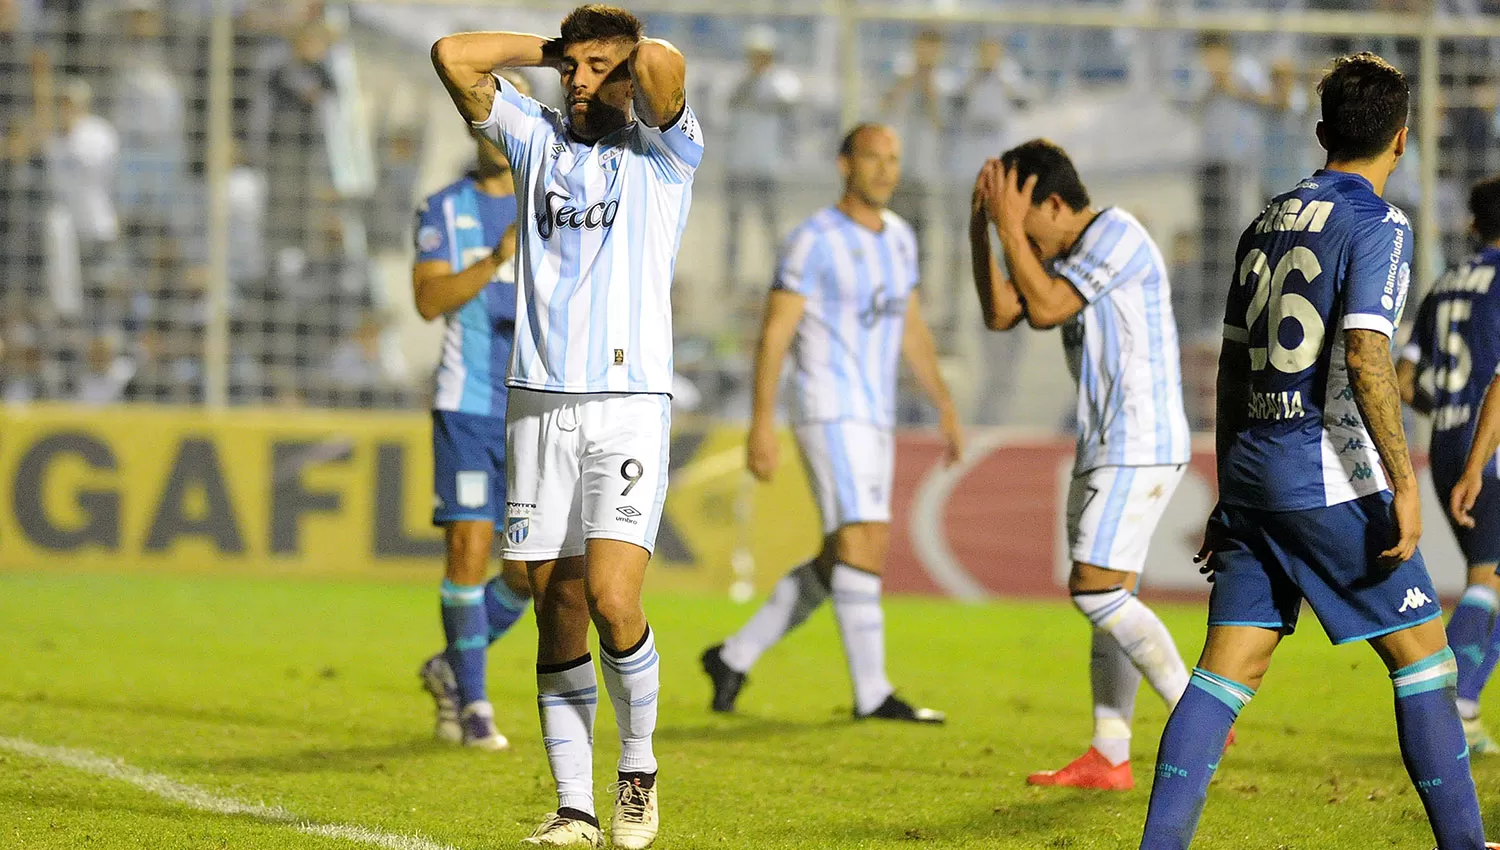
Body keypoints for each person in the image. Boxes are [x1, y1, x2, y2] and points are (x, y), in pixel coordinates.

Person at [1138, 53, 1487, 850]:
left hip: (1258, 472)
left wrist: (1230, 492)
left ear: (1322, 131)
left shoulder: (1264, 219)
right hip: (1327, 471)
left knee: (1228, 668)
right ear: (1402, 142)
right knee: (1425, 657)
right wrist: (1404, 482)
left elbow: (1231, 366)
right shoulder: (1379, 225)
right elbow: (1367, 352)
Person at [432, 6, 700, 847]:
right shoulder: (535, 137)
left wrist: (620, 58)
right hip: (536, 403)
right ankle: (573, 806)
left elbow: (664, 69)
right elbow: (453, 55)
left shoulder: (666, 155)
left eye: (594, 70)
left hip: (627, 406)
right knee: (556, 604)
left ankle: (640, 770)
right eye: (568, 68)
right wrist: (556, 54)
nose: (576, 82)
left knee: (617, 601)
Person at [700, 123, 961, 724]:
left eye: (894, 159)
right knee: (863, 540)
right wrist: (761, 423)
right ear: (845, 164)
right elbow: (774, 334)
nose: (886, 170)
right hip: (827, 407)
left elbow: (911, 327)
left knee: (841, 552)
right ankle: (873, 693)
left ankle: (732, 657)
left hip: (875, 414)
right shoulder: (811, 240)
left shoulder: (899, 237)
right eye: (874, 158)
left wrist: (944, 402)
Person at [968, 139, 1194, 790]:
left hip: (1138, 441)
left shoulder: (1116, 235)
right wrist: (985, 227)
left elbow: (1041, 306)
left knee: (1094, 589)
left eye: (1024, 217)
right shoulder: (1067, 255)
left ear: (1056, 204)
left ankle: (1195, 708)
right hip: (1107, 444)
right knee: (1111, 597)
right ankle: (1110, 753)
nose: (1023, 239)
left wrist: (1009, 228)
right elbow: (1001, 310)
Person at [410, 113, 535, 752]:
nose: (491, 139)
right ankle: (475, 703)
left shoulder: (555, 203)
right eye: (482, 126)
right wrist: (496, 260)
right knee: (467, 550)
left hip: (537, 409)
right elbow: (429, 302)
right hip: (467, 405)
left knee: (528, 572)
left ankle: (449, 667)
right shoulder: (446, 208)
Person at [1399, 175, 1500, 755]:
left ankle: (1462, 707)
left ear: (1473, 224)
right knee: (1486, 577)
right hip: (1489, 445)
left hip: (1445, 440)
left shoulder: (1445, 284)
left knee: (1491, 575)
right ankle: (1455, 712)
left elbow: (1403, 379)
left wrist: (1449, 413)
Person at [723, 24, 798, 295]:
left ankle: (779, 276)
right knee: (734, 227)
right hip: (739, 164)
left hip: (768, 166)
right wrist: (751, 80)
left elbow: (786, 102)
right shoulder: (741, 81)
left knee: (770, 225)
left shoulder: (781, 82)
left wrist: (759, 81)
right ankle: (730, 278)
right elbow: (731, 100)